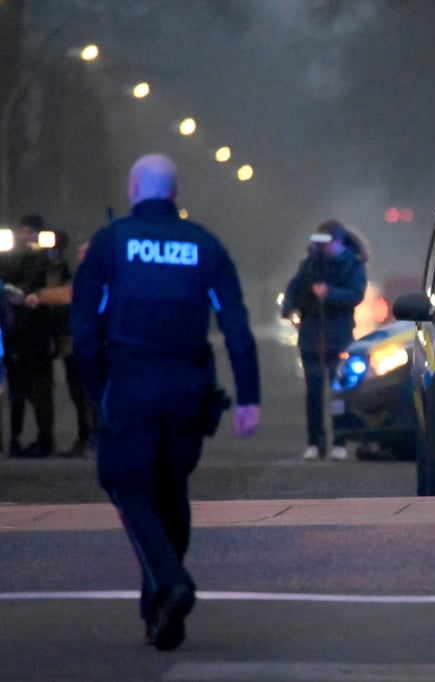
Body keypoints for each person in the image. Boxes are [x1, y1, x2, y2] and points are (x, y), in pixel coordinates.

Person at [71, 153, 261, 651]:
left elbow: (85, 329)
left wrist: (97, 389)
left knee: (128, 487)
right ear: (174, 192)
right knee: (171, 489)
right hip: (188, 389)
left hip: (130, 385)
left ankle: (172, 584)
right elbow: (236, 327)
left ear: (134, 186)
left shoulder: (111, 243)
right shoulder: (204, 245)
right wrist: (249, 397)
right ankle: (159, 612)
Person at [281, 220, 368, 461]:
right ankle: (315, 442)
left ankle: (340, 441)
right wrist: (289, 309)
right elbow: (293, 290)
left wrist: (329, 294)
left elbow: (355, 295)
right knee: (314, 392)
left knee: (338, 393)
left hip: (338, 339)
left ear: (338, 242)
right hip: (311, 338)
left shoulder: (353, 266)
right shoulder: (309, 265)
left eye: (327, 241)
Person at [25, 236, 95, 457]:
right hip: (74, 342)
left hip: (88, 344)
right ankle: (88, 438)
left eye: (84, 254)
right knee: (80, 394)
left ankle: (93, 439)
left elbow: (70, 294)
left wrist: (39, 296)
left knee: (88, 395)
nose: (80, 257)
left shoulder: (96, 277)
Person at [3, 214, 59, 458]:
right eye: (24, 231)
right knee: (18, 391)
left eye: (31, 231)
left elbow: (45, 287)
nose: (28, 237)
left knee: (39, 392)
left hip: (36, 334)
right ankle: (17, 438)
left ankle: (44, 439)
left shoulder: (49, 258)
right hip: (19, 335)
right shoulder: (15, 258)